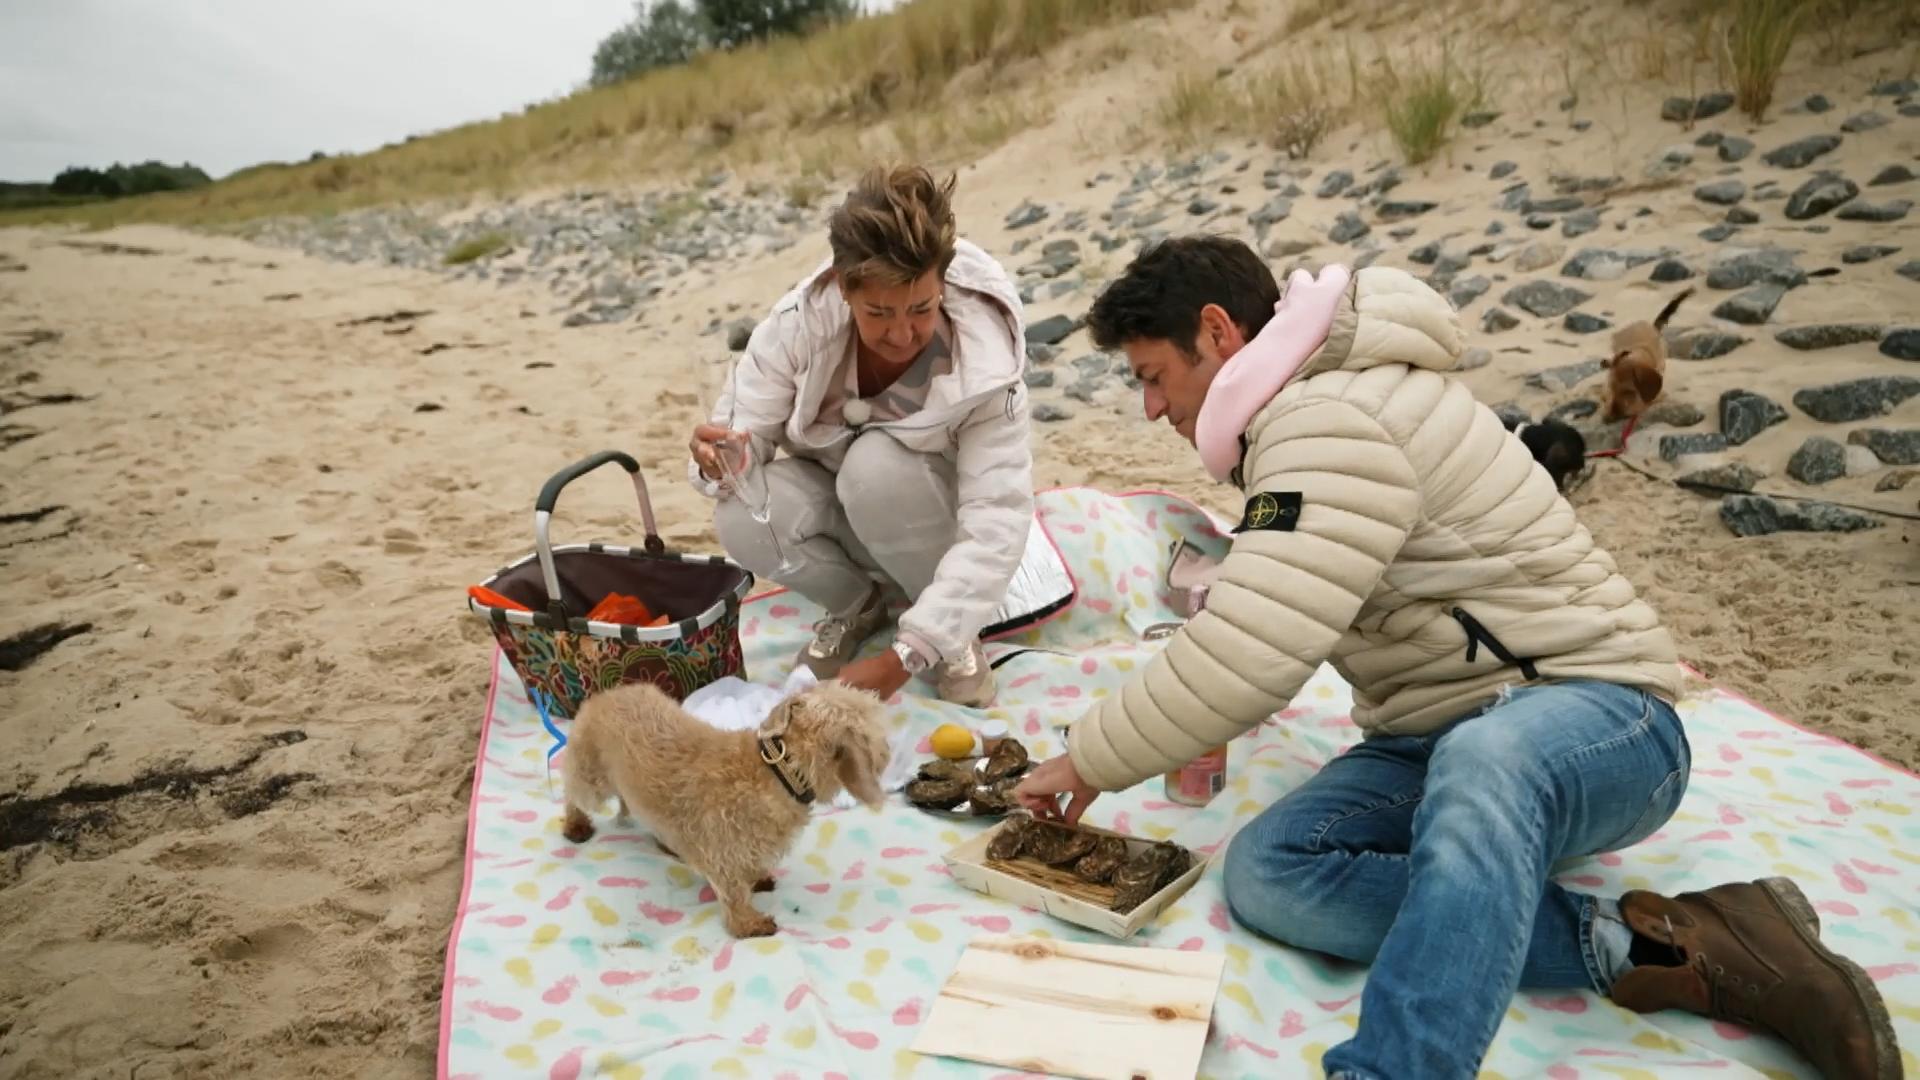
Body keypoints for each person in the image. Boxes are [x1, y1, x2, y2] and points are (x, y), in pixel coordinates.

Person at [1013, 237, 1897, 1080]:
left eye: (1153, 378)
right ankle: (1676, 944)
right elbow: (1271, 606)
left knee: (1486, 757)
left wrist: (1090, 755)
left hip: (1601, 717)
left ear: (1217, 332)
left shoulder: (1325, 418)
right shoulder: (1309, 413)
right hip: (1440, 732)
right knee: (1271, 870)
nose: (1152, 408)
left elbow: (1256, 644)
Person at [688, 164, 1032, 708]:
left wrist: (910, 655)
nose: (902, 333)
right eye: (879, 313)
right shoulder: (796, 325)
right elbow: (742, 436)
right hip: (842, 508)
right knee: (738, 516)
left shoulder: (987, 361)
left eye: (922, 308)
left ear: (942, 281)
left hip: (930, 524)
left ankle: (951, 635)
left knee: (874, 466)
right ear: (844, 289)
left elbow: (998, 518)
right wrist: (722, 460)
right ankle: (858, 606)